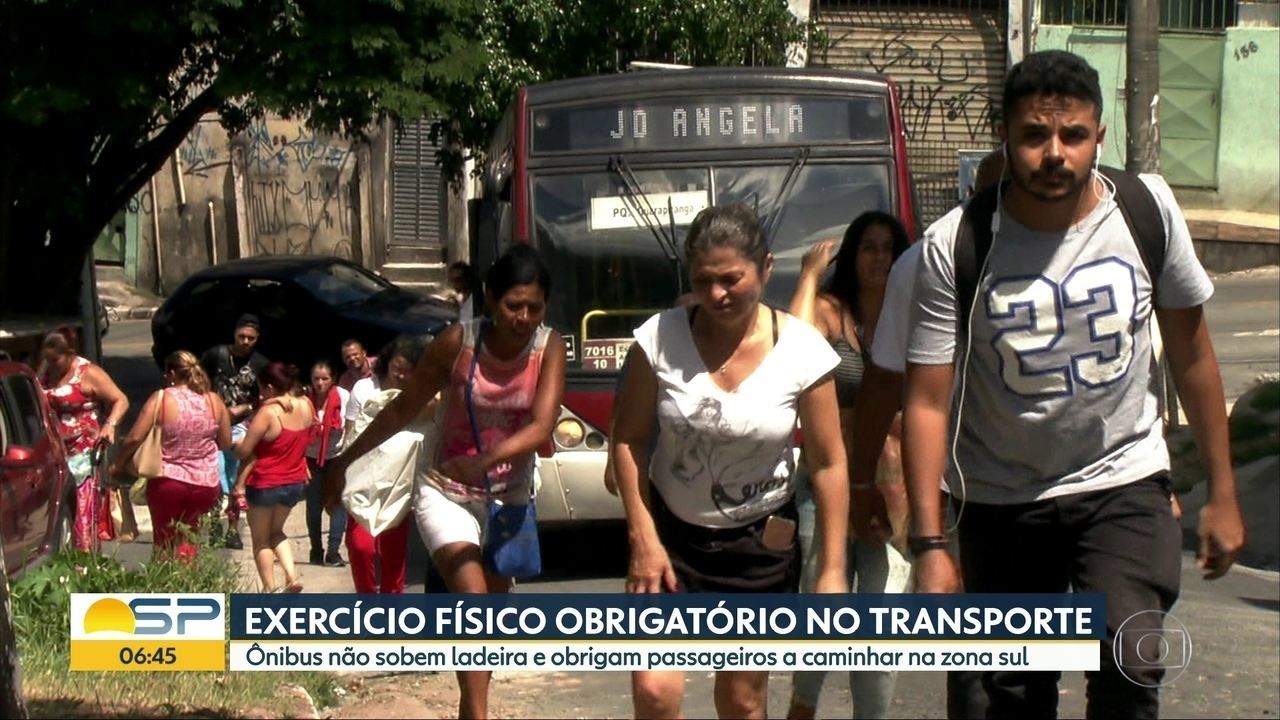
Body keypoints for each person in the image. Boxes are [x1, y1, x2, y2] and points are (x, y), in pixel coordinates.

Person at [903, 50, 1246, 719]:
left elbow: (1193, 354)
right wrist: (930, 544)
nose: (1054, 153)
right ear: (1005, 136)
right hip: (1001, 501)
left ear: (1099, 136)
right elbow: (925, 401)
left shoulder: (1146, 210)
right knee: (1007, 697)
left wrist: (1224, 494)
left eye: (1073, 135)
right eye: (1034, 135)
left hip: (1123, 483)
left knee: (1130, 660)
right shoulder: (957, 244)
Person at [611, 203, 849, 720]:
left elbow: (829, 462)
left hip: (759, 548)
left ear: (765, 268)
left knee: (741, 701)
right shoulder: (658, 340)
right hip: (670, 540)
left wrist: (831, 569)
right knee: (655, 692)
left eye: (731, 279)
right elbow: (628, 440)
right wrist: (643, 538)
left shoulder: (803, 350)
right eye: (703, 280)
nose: (717, 293)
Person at [326, 243, 565, 719]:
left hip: (509, 497)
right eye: (513, 306)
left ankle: (469, 706)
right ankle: (479, 715)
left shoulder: (548, 347)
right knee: (474, 604)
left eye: (534, 308)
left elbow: (543, 425)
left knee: (489, 621)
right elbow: (403, 407)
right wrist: (344, 461)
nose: (523, 318)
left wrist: (485, 461)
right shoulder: (458, 343)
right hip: (445, 490)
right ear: (490, 299)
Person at [785, 212, 910, 720]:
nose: (880, 258)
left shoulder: (912, 315)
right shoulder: (831, 313)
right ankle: (802, 708)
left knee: (881, 626)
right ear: (853, 257)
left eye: (889, 248)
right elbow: (793, 346)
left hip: (892, 489)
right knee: (822, 609)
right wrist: (809, 276)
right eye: (869, 248)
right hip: (826, 484)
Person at [110, 351, 232, 559]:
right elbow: (225, 442)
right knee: (190, 538)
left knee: (164, 541)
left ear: (173, 374)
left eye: (166, 374)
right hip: (205, 484)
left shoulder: (162, 398)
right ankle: (188, 576)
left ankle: (164, 577)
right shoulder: (214, 401)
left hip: (168, 480)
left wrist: (118, 464)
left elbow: (134, 438)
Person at [340, 336, 429, 593]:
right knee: (360, 546)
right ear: (386, 363)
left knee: (393, 553)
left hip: (398, 483)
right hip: (363, 480)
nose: (400, 375)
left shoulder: (420, 396)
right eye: (397, 368)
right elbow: (351, 432)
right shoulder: (364, 389)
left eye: (407, 371)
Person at [39, 327, 129, 550]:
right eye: (48, 360)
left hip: (84, 452)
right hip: (57, 452)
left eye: (56, 360)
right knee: (60, 511)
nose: (51, 365)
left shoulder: (88, 373)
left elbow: (121, 400)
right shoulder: (46, 372)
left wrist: (110, 425)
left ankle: (85, 557)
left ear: (69, 354)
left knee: (83, 508)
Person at [234, 362, 314, 593]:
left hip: (264, 482)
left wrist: (234, 443)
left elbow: (245, 451)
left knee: (261, 540)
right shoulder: (306, 405)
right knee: (277, 531)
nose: (260, 394)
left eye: (262, 389)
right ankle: (291, 576)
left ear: (269, 387)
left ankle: (270, 590)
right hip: (294, 481)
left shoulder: (268, 413)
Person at [201, 313, 269, 549]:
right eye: (242, 336)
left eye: (251, 338)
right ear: (235, 334)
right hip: (212, 425)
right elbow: (198, 383)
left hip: (242, 427)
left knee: (233, 480)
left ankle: (232, 528)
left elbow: (265, 396)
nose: (245, 341)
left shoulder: (260, 364)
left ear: (257, 338)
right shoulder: (215, 355)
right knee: (214, 477)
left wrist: (247, 408)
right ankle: (213, 525)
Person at [305, 360, 349, 567]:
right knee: (314, 506)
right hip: (311, 458)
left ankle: (333, 552)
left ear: (333, 379)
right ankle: (316, 549)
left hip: (337, 457)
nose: (320, 383)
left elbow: (351, 425)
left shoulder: (344, 397)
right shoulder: (305, 399)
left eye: (325, 378)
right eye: (316, 379)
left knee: (338, 504)